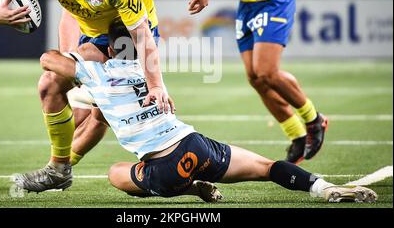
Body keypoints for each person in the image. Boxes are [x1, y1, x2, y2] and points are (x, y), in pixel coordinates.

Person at [38, 20, 378, 204]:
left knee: (115, 172)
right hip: (195, 146)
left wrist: (84, 57)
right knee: (266, 167)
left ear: (111, 47)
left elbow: (48, 60)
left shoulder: (98, 74)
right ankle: (324, 188)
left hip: (162, 171)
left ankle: (187, 188)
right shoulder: (149, 70)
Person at [0, 0, 176, 192]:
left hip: (125, 41)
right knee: (49, 84)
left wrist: (157, 84)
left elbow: (142, 35)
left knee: (105, 115)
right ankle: (59, 170)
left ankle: (179, 159)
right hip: (94, 38)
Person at [61, 0, 213, 167]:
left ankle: (60, 167)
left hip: (136, 38)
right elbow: (69, 13)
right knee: (79, 112)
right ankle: (59, 164)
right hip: (97, 36)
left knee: (103, 115)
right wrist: (68, 60)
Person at [184, 0, 328, 164]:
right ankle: (295, 134)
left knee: (267, 71)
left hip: (275, 1)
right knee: (255, 78)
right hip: (247, 5)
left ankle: (314, 119)